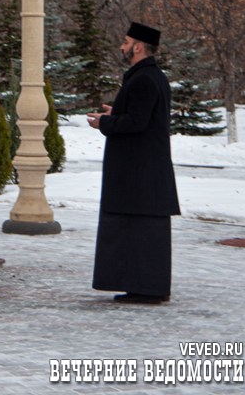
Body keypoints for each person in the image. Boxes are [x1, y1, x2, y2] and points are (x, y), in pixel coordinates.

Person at [87, 22, 180, 304]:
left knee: (137, 232)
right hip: (144, 174)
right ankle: (146, 287)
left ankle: (145, 289)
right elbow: (145, 117)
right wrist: (117, 112)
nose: (122, 46)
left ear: (138, 46)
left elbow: (137, 123)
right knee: (142, 234)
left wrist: (106, 122)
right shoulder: (151, 77)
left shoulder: (143, 79)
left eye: (126, 42)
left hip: (138, 174)